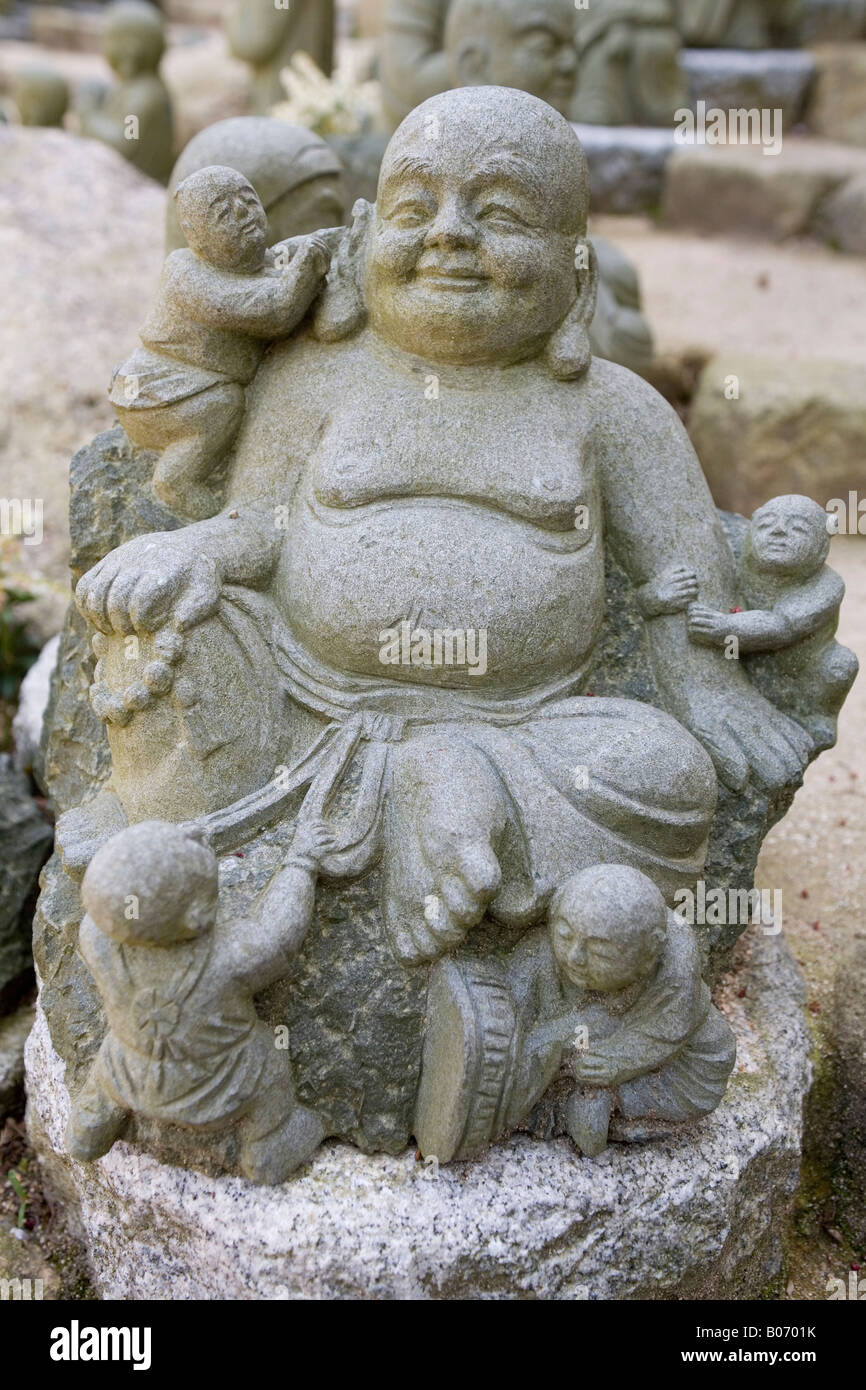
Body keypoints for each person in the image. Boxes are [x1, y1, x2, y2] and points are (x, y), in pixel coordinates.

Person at [75, 88, 813, 974]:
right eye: (413, 209)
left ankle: (452, 788)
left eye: (497, 213)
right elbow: (256, 526)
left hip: (525, 731)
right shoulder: (317, 378)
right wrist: (187, 549)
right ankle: (351, 817)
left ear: (576, 270)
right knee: (157, 632)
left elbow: (681, 587)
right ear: (361, 235)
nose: (449, 233)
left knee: (666, 772)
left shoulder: (613, 411)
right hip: (307, 713)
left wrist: (705, 685)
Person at [66, 816, 334, 1183]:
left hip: (127, 1074)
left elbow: (121, 896)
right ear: (197, 917)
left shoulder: (96, 940)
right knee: (268, 1057)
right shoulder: (229, 957)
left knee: (110, 1058)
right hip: (216, 1090)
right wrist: (302, 862)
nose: (191, 834)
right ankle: (267, 1144)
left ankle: (91, 1123)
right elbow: (280, 933)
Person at [110, 165, 333, 519]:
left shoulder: (255, 265)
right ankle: (177, 480)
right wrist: (307, 266)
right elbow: (275, 310)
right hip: (161, 391)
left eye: (248, 200)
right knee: (224, 405)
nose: (244, 213)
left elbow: (285, 262)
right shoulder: (186, 274)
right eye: (224, 213)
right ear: (195, 235)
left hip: (194, 384)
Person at [77, 0, 174, 184]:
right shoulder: (133, 88)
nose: (104, 47)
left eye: (108, 40)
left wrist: (90, 116)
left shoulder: (144, 97)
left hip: (141, 184)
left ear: (131, 48)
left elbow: (126, 142)